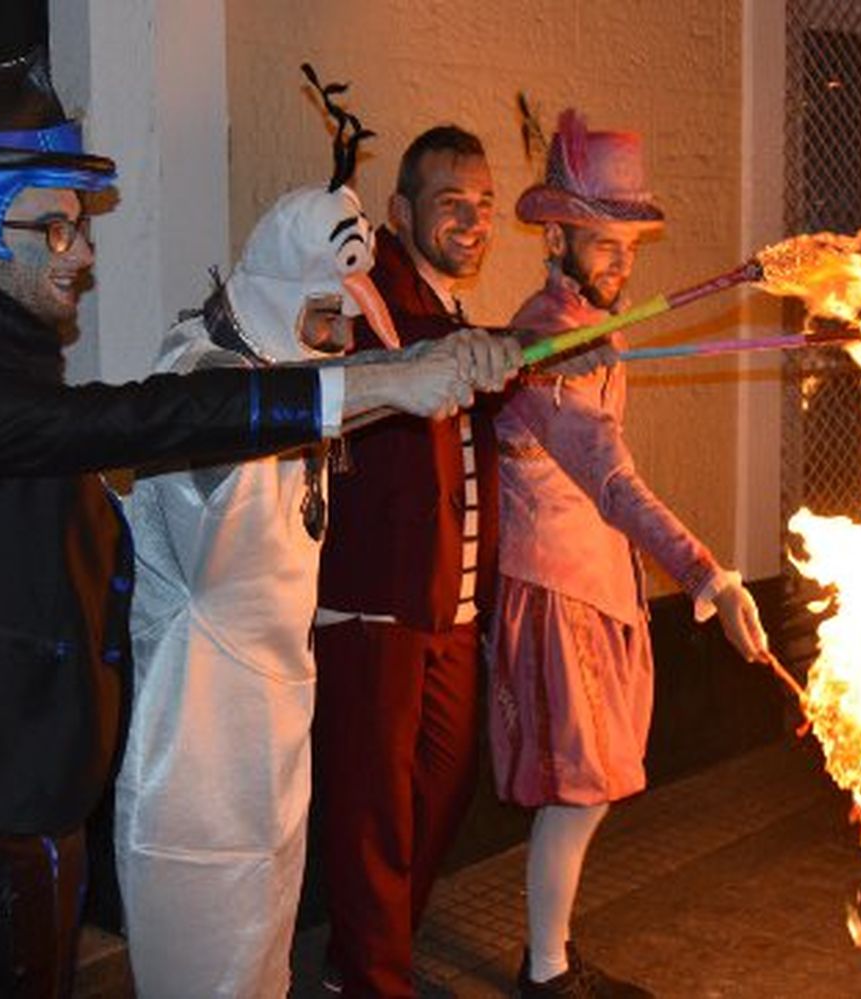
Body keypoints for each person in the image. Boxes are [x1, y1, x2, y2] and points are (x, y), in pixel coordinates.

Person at [0, 50, 492, 998]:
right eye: (56, 229)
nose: (86, 253)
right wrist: (381, 382)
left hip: (13, 773)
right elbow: (149, 416)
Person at [113, 78, 521, 998]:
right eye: (325, 315)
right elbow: (236, 424)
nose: (338, 338)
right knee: (203, 932)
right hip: (200, 728)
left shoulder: (303, 370)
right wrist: (393, 376)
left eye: (347, 321)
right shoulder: (205, 370)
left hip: (280, 702)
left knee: (268, 921)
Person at [491, 110, 772, 998]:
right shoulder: (547, 341)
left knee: (594, 788)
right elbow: (612, 480)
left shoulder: (586, 331)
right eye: (604, 245)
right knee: (577, 791)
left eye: (630, 246)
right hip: (556, 591)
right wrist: (710, 576)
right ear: (558, 235)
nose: (622, 264)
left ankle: (552, 956)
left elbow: (613, 476)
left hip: (597, 587)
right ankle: (545, 972)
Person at [310, 125, 505, 997]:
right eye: (450, 203)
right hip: (373, 613)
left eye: (485, 205)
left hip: (453, 616)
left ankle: (366, 956)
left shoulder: (452, 313)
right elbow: (341, 380)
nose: (472, 221)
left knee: (441, 794)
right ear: (400, 212)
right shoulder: (362, 294)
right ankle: (373, 977)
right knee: (371, 817)